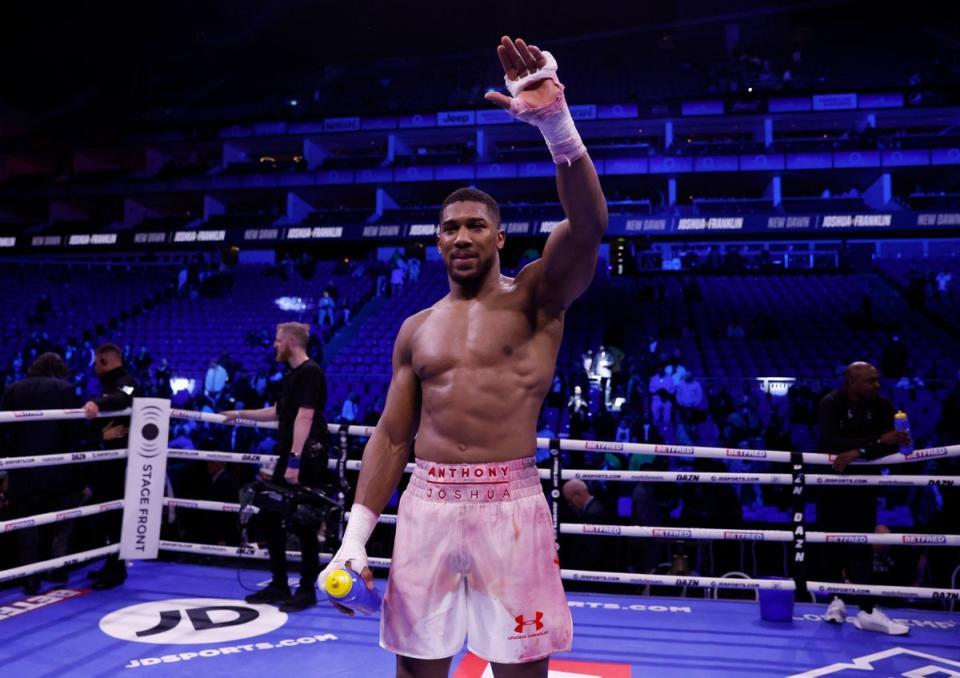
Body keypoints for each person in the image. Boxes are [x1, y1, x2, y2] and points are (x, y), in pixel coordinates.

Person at [319, 35, 607, 678]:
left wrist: (556, 125)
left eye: (476, 225)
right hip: (427, 505)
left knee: (519, 669)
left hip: (512, 506)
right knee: (417, 668)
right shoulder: (416, 328)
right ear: (437, 242)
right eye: (450, 227)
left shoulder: (538, 296)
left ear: (500, 236)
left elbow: (588, 228)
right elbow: (393, 436)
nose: (462, 236)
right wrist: (354, 542)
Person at [222, 322, 329, 613]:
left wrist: (294, 461)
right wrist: (239, 414)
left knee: (305, 521)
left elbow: (305, 418)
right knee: (270, 514)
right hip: (289, 453)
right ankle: (280, 583)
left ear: (292, 342)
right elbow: (278, 413)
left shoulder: (310, 372)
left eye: (278, 340)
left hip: (307, 456)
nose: (274, 344)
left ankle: (307, 589)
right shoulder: (291, 375)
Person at [816, 361, 910, 635]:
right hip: (831, 484)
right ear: (852, 383)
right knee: (830, 542)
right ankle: (836, 601)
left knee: (861, 544)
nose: (877, 385)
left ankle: (867, 610)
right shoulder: (831, 403)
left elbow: (897, 440)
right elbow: (833, 442)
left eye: (877, 380)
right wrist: (873, 443)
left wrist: (857, 451)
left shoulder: (882, 406)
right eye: (870, 381)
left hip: (863, 488)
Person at [0, 353, 84, 593]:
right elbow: (73, 432)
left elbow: (4, 431)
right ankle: (57, 566)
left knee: (28, 524)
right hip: (58, 470)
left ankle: (30, 578)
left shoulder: (13, 389)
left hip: (23, 469)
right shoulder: (65, 389)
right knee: (64, 518)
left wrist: (10, 463)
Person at [83, 343, 140, 589]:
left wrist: (97, 404)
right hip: (106, 460)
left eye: (97, 363)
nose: (95, 369)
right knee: (106, 515)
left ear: (105, 362)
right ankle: (110, 564)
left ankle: (116, 570)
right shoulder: (107, 385)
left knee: (114, 514)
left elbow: (125, 397)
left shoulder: (127, 381)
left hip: (118, 464)